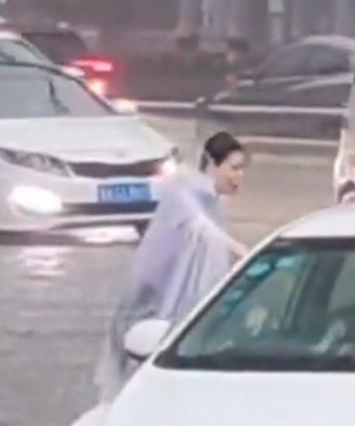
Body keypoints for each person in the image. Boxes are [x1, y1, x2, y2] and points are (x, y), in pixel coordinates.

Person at [94, 131, 249, 402]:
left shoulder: (208, 199)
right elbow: (201, 230)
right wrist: (246, 254)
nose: (239, 176)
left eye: (242, 169)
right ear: (212, 165)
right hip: (149, 306)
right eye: (234, 168)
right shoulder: (183, 193)